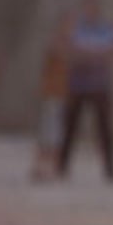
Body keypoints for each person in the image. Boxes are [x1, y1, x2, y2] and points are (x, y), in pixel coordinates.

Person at [57, 0, 113, 182]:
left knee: (105, 129)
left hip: (100, 86)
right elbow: (69, 50)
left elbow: (112, 52)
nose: (90, 10)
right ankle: (62, 167)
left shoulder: (107, 28)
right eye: (87, 6)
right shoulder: (75, 27)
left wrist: (86, 53)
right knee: (70, 128)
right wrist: (94, 53)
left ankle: (110, 170)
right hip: (78, 86)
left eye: (94, 6)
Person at [30, 10, 72, 182]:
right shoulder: (56, 43)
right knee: (48, 133)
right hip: (52, 94)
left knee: (56, 134)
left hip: (61, 94)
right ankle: (40, 167)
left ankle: (52, 168)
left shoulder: (65, 43)